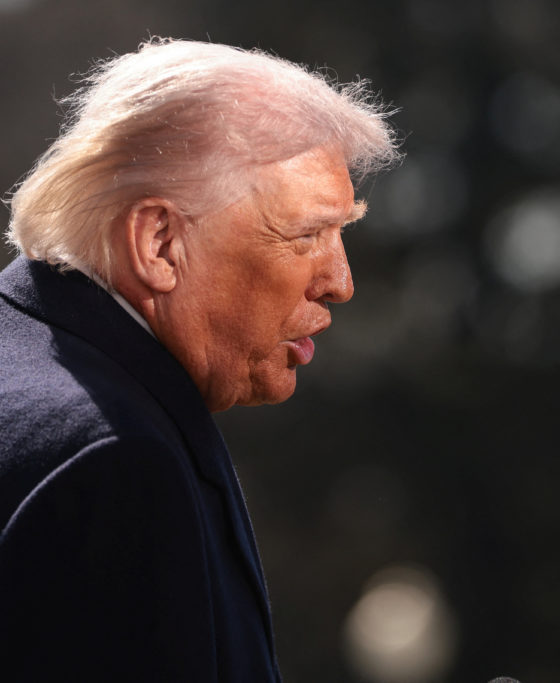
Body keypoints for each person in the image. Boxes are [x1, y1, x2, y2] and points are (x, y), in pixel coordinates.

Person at [0, 38, 400, 681]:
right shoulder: (113, 462)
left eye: (341, 234)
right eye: (306, 235)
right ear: (159, 243)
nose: (339, 281)